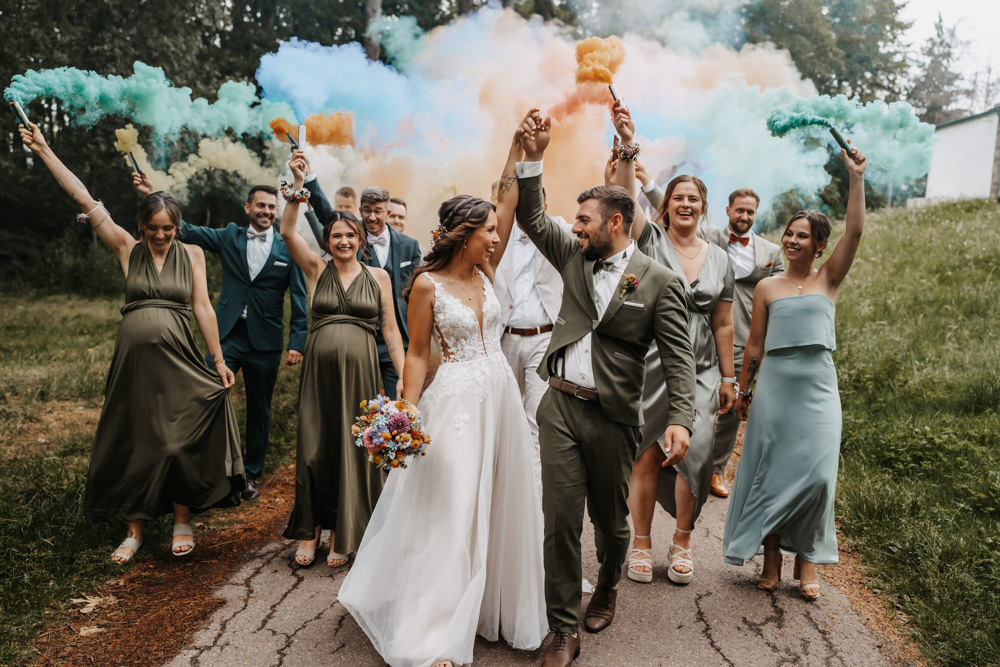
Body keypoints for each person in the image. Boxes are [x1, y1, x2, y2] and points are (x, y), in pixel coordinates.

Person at [339, 121, 546, 667]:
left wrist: (516, 148)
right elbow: (415, 355)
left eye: (496, 231)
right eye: (488, 232)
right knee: (453, 504)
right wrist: (405, 414)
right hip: (454, 401)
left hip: (499, 395)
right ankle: (433, 630)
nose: (497, 238)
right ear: (462, 235)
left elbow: (507, 199)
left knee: (501, 498)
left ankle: (491, 605)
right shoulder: (427, 285)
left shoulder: (487, 271)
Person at [514, 109, 696, 666]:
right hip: (560, 406)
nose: (575, 227)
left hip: (615, 417)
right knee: (560, 520)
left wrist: (680, 418)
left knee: (612, 525)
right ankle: (562, 627)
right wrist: (533, 158)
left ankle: (609, 582)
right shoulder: (572, 256)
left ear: (615, 223)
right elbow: (531, 216)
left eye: (584, 219)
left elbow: (679, 356)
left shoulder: (660, 282)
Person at [19, 122, 243, 563]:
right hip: (134, 365)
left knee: (177, 439)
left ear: (177, 227)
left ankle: (182, 518)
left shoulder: (193, 254)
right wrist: (43, 149)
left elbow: (203, 308)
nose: (160, 235)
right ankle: (134, 529)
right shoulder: (127, 248)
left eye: (168, 228)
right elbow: (83, 197)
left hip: (180, 360)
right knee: (137, 439)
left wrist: (217, 360)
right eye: (153, 228)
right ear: (141, 226)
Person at [723, 144, 867, 600]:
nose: (792, 241)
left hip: (819, 390)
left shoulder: (829, 279)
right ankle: (771, 559)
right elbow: (755, 344)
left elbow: (856, 231)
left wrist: (856, 177)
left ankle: (808, 560)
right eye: (789, 233)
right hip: (776, 389)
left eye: (802, 236)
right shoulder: (768, 286)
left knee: (818, 478)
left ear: (819, 244)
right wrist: (744, 392)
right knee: (772, 474)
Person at [614, 107, 735, 587]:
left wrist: (729, 378)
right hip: (652, 360)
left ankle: (682, 541)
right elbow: (626, 196)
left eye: (693, 199)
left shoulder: (720, 258)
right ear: (666, 205)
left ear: (703, 207)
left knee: (696, 453)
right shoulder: (649, 240)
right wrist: (627, 141)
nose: (685, 204)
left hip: (702, 367)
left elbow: (723, 322)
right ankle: (641, 542)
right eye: (678, 197)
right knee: (645, 451)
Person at [133, 175, 308, 502]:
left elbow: (300, 297)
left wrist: (297, 341)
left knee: (260, 409)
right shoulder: (229, 235)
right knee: (206, 394)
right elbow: (185, 229)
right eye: (260, 205)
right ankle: (209, 468)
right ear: (247, 207)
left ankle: (250, 474)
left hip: (266, 341)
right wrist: (153, 192)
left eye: (272, 207)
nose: (267, 211)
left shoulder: (288, 246)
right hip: (227, 334)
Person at [277, 151, 405, 568]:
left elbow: (390, 331)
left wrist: (404, 379)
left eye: (351, 235)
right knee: (315, 450)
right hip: (319, 375)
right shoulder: (316, 269)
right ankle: (310, 532)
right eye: (336, 236)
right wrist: (298, 187)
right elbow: (287, 230)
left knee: (353, 450)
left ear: (361, 240)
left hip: (361, 376)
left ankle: (343, 534)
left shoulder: (379, 277)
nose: (344, 241)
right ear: (327, 240)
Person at [306, 182, 423, 398]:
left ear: (387, 212)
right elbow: (326, 214)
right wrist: (308, 179)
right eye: (367, 210)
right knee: (357, 401)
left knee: (399, 402)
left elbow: (416, 294)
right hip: (358, 338)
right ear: (360, 211)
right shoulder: (350, 236)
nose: (371, 217)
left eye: (378, 211)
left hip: (396, 337)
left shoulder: (410, 245)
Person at [707, 188, 784, 498]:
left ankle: (716, 468)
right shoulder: (708, 236)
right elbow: (670, 209)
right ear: (728, 210)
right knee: (696, 398)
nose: (745, 216)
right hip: (704, 333)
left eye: (750, 212)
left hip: (745, 341)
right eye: (739, 210)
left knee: (736, 405)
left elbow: (783, 293)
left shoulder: (771, 251)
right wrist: (645, 181)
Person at [493, 183, 573, 456]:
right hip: (504, 337)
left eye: (534, 204)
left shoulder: (558, 230)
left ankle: (535, 483)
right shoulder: (497, 237)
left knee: (537, 417)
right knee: (505, 415)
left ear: (544, 207)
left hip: (545, 338)